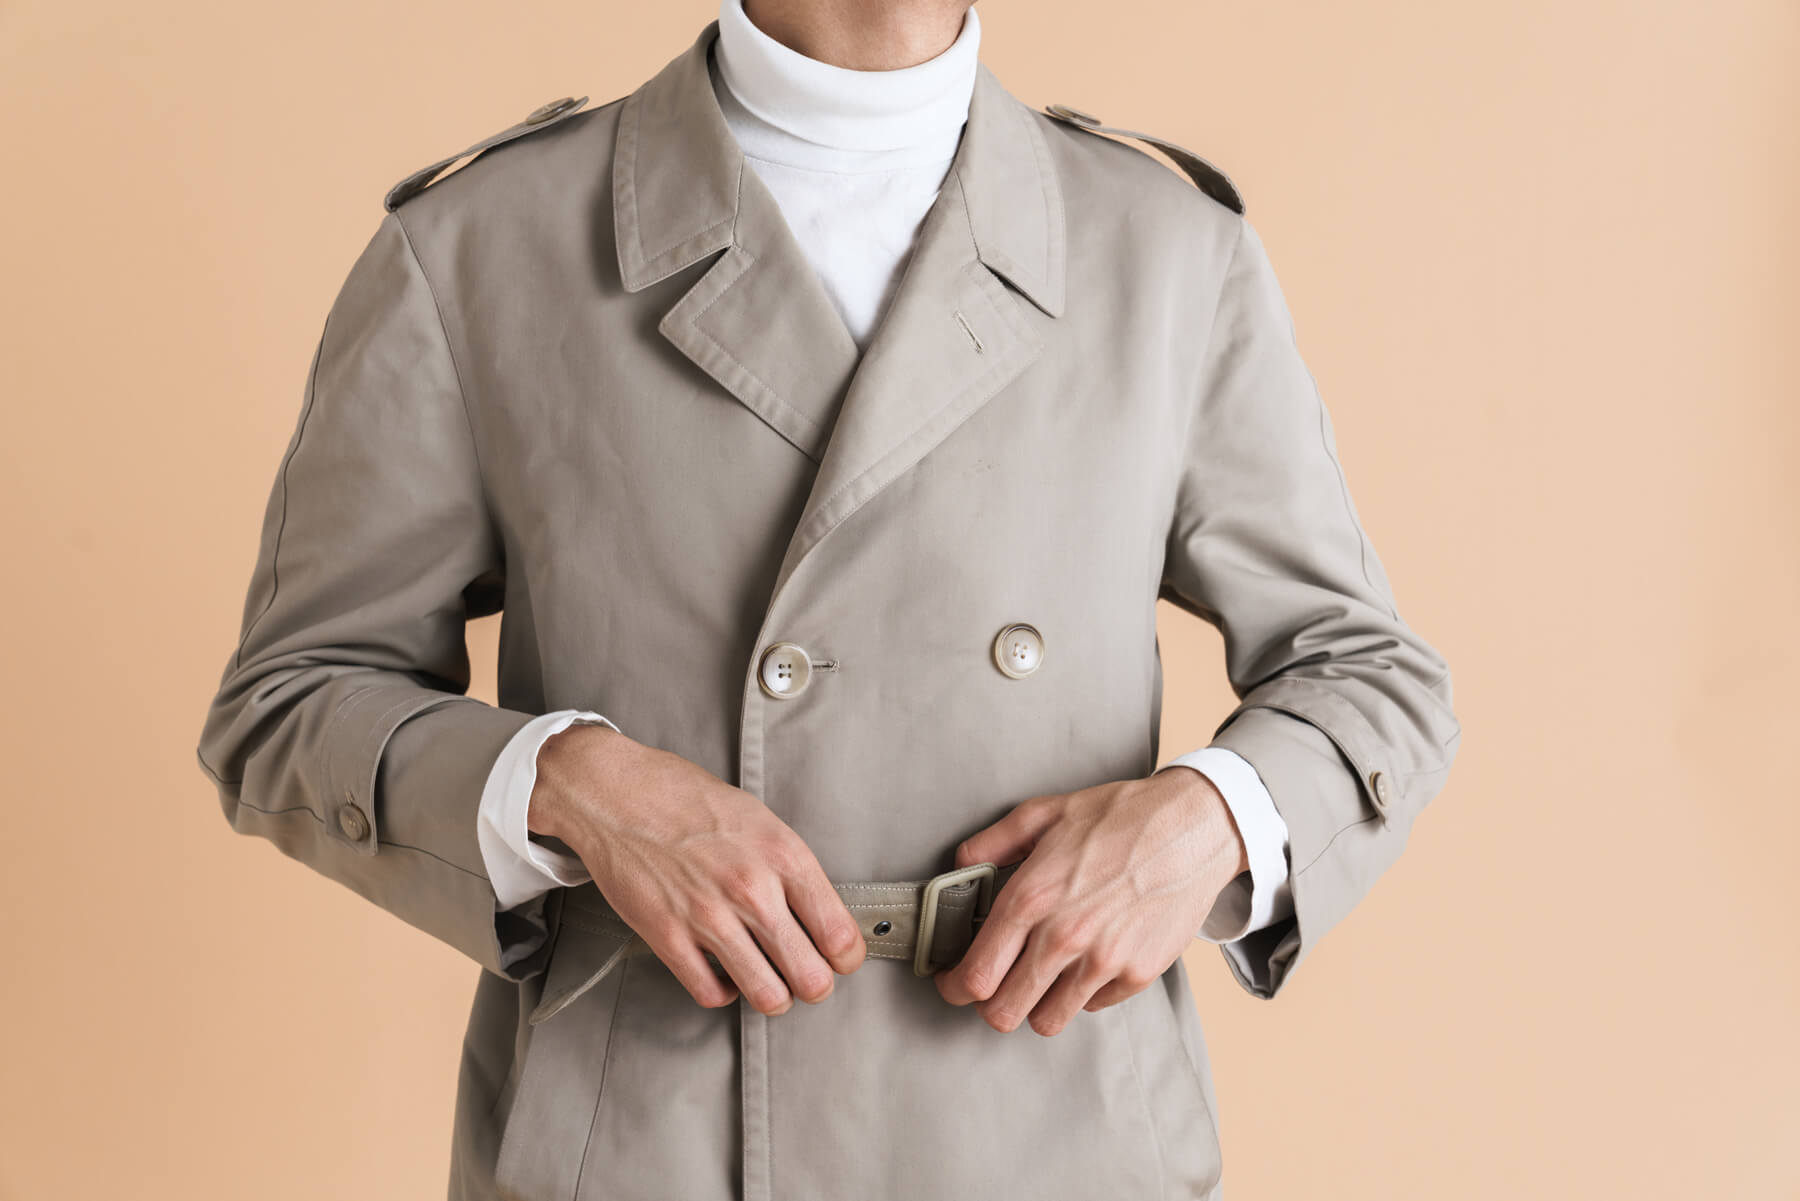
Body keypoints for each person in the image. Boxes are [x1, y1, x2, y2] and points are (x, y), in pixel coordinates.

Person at [194, 2, 1461, 1198]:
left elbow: (1369, 675)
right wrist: (568, 786)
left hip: (1056, 1131)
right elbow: (289, 701)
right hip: (649, 1144)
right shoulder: (481, 244)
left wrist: (1207, 823)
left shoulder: (1166, 249)